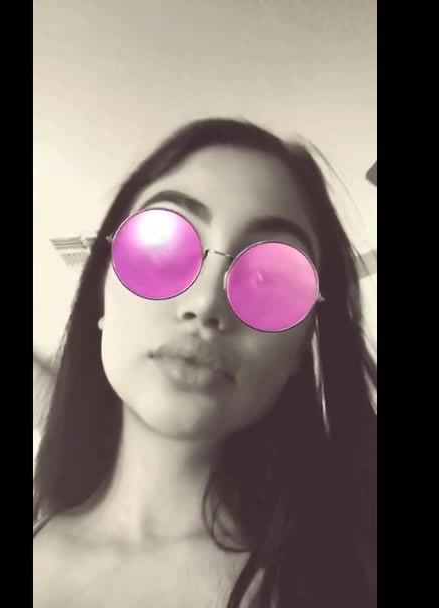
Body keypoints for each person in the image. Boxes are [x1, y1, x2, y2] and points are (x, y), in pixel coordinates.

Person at [33, 118, 377, 608]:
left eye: (271, 277)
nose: (206, 303)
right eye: (160, 247)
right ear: (101, 293)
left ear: (302, 346)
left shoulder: (350, 577)